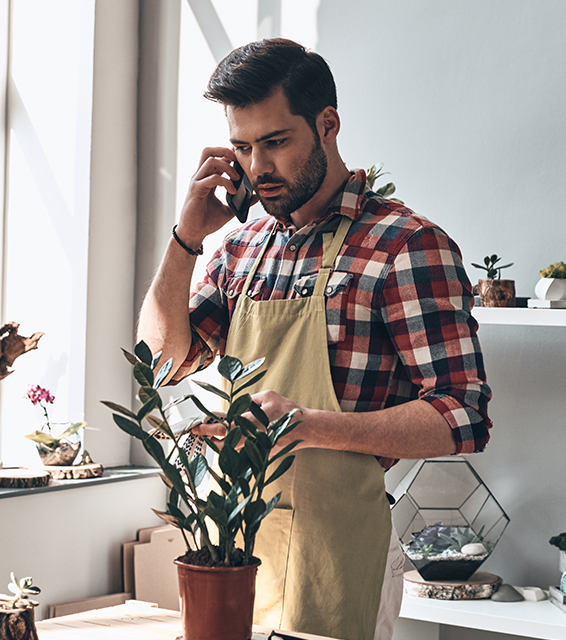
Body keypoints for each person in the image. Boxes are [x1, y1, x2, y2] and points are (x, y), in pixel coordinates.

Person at [137, 38, 492, 640]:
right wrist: (184, 239)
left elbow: (463, 416)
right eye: (244, 147)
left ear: (327, 124)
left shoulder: (403, 245)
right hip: (234, 548)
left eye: (275, 142)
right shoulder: (239, 249)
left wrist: (306, 425)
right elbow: (162, 363)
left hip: (340, 552)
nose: (257, 168)